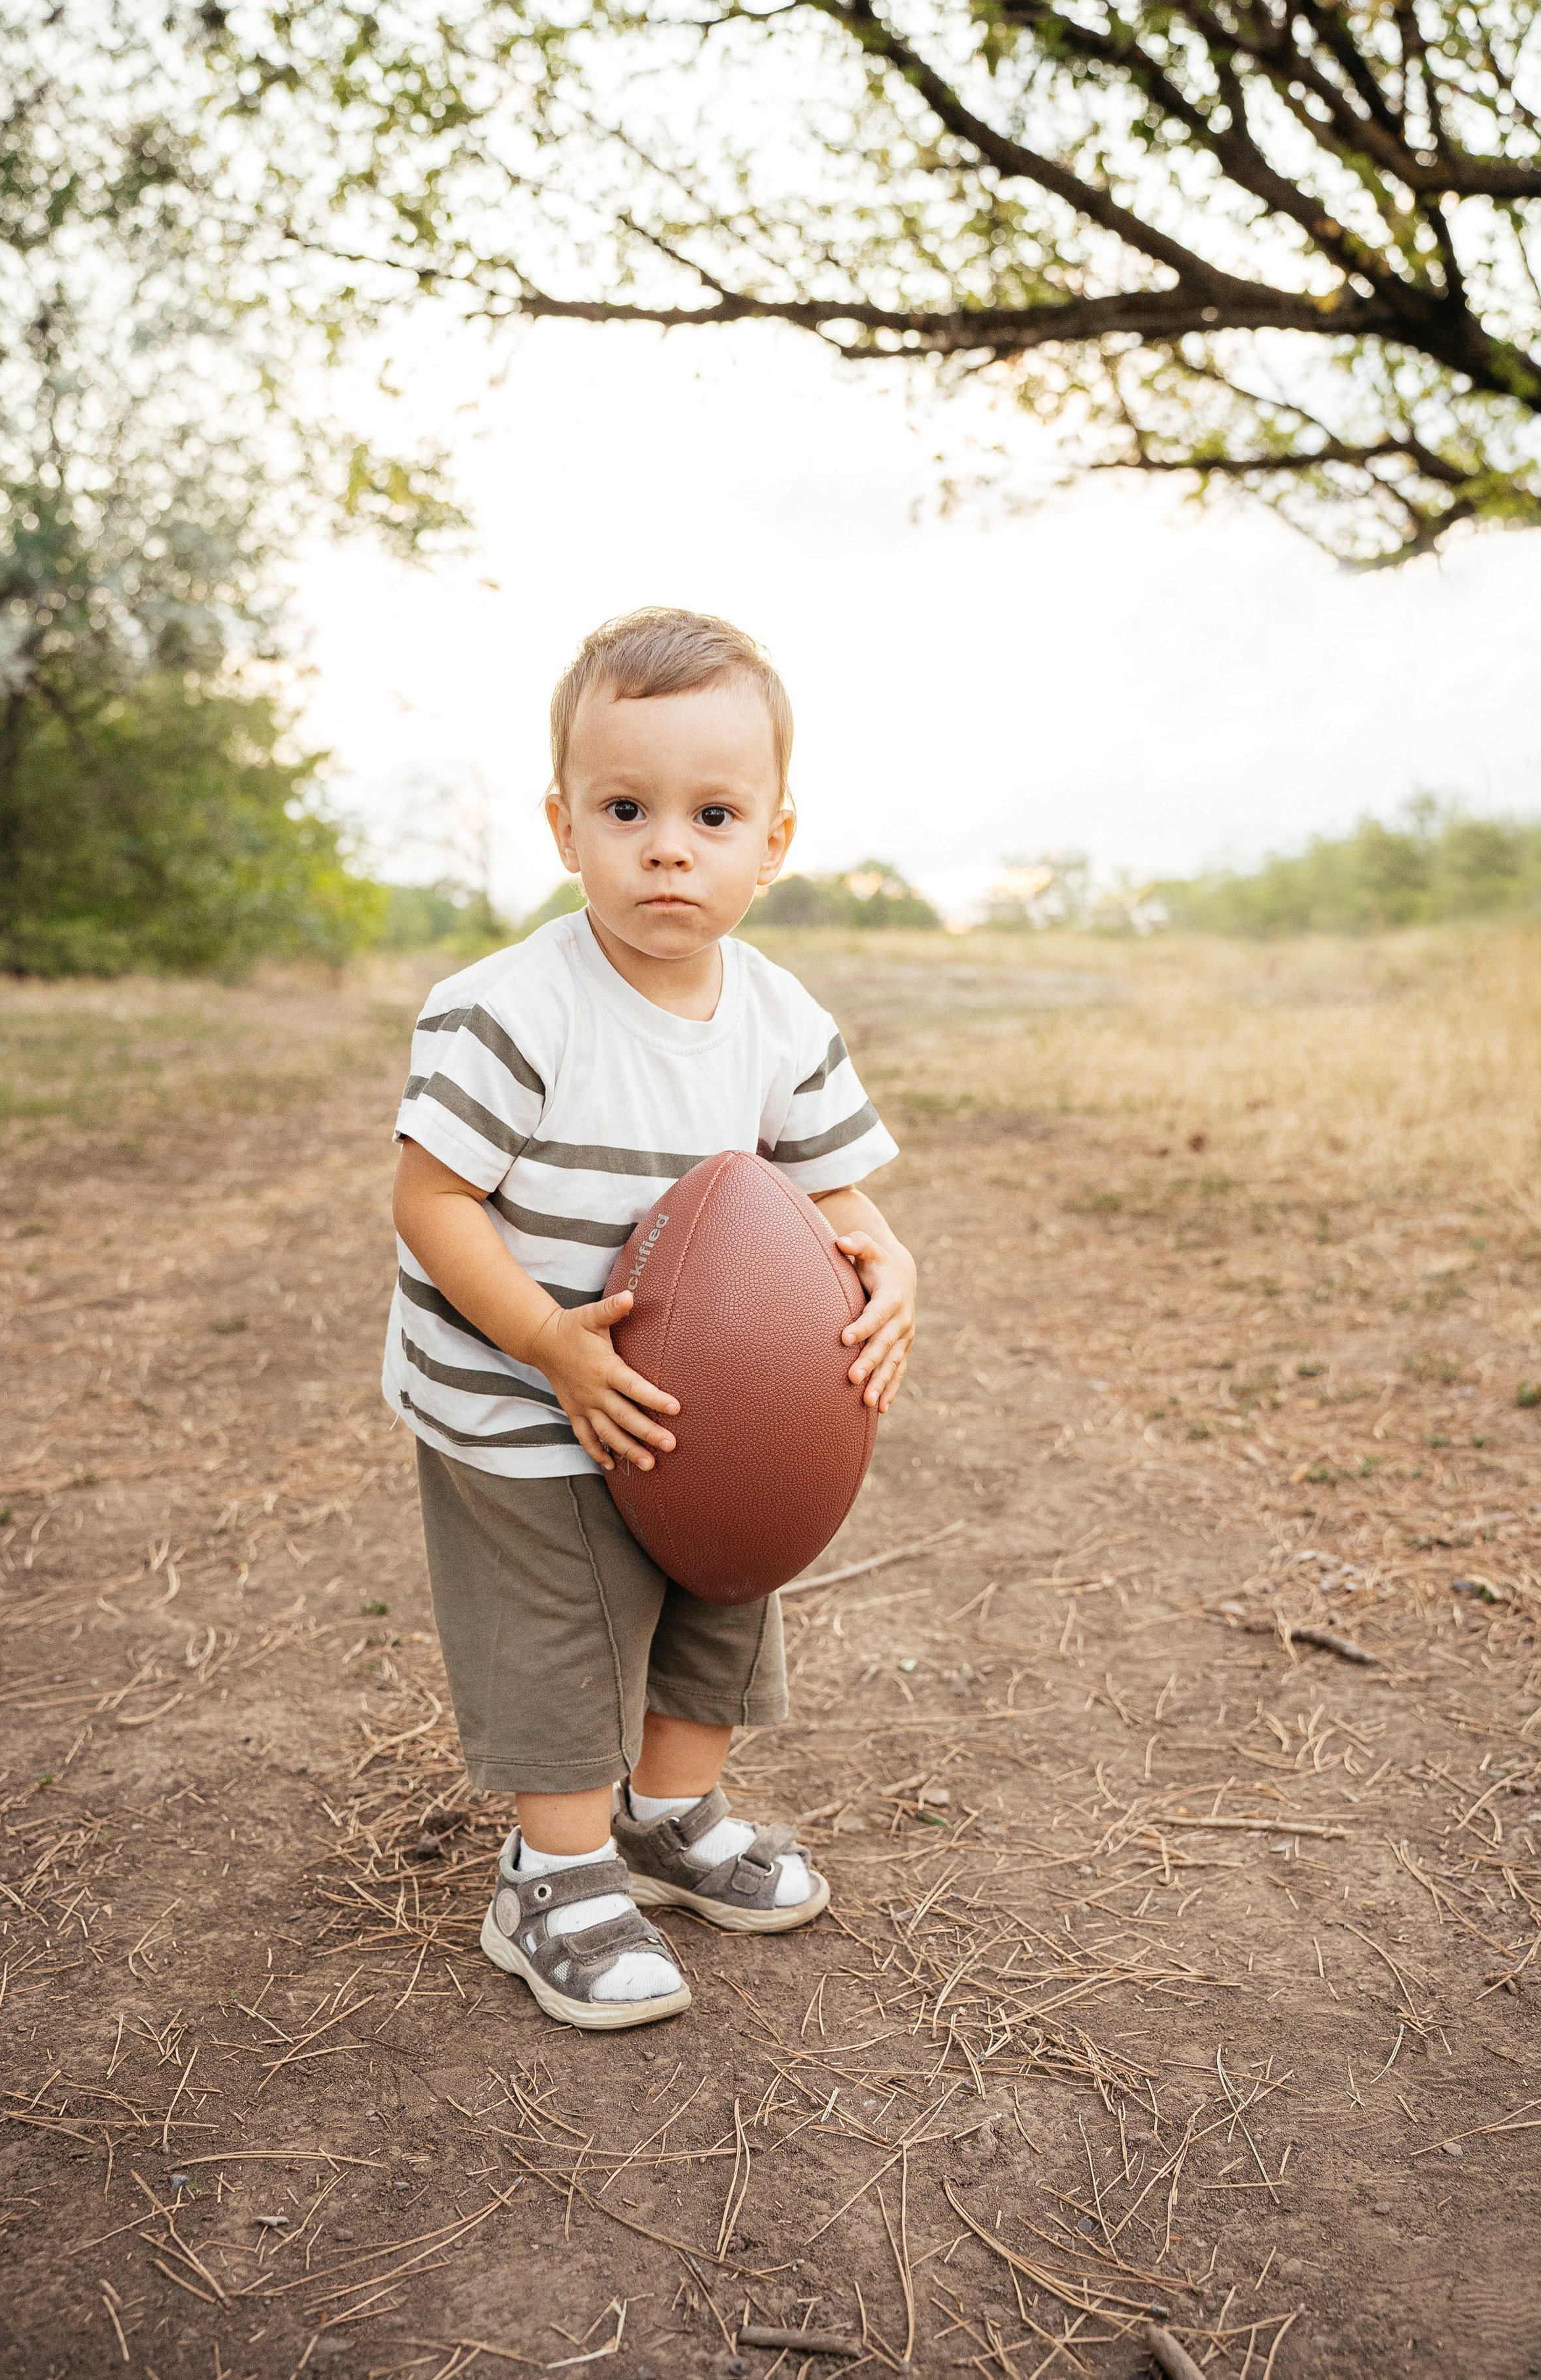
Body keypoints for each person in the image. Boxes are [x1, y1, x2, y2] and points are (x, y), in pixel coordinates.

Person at [384, 608, 917, 2029]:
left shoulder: (783, 1021)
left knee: (722, 1585)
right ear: (564, 827)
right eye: (626, 809)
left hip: (702, 1402)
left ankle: (666, 1818)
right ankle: (547, 1875)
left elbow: (839, 1206)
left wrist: (885, 1270)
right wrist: (548, 1343)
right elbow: (431, 1201)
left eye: (711, 812)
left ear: (774, 839)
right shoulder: (509, 1009)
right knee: (563, 1625)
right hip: (523, 1390)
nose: (667, 845)